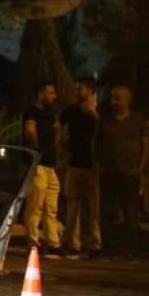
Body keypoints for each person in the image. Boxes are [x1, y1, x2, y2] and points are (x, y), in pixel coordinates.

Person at [97, 85, 149, 260]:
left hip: (130, 174)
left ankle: (130, 250)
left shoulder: (138, 121)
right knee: (106, 213)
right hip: (109, 173)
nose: (114, 102)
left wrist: (140, 168)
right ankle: (109, 248)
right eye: (112, 98)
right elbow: (96, 144)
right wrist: (98, 165)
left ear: (127, 100)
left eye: (117, 98)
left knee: (130, 213)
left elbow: (146, 145)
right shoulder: (105, 121)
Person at [59, 79, 102, 259]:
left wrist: (94, 114)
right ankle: (72, 243)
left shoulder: (98, 113)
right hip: (74, 164)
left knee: (93, 207)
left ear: (91, 93)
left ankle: (94, 243)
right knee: (72, 204)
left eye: (81, 89)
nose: (78, 92)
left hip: (93, 165)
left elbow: (105, 133)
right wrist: (62, 147)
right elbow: (60, 128)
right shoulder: (70, 110)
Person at [22, 81, 63, 258]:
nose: (53, 96)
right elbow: (30, 130)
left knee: (50, 205)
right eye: (50, 93)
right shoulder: (33, 112)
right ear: (40, 94)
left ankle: (53, 242)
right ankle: (33, 241)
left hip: (49, 164)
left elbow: (57, 129)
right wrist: (37, 148)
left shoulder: (49, 114)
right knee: (36, 205)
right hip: (39, 164)